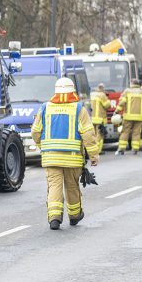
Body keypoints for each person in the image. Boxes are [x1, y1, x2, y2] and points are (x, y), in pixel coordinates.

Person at [31, 77, 100, 230]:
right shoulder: (78, 109)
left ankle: (54, 218)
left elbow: (35, 132)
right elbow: (88, 134)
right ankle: (75, 216)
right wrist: (94, 155)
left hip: (51, 157)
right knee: (72, 186)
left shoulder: (45, 108)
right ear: (72, 91)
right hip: (72, 158)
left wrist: (43, 145)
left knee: (54, 186)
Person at [114, 79, 142, 155]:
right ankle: (135, 149)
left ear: (132, 83)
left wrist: (116, 111)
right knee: (136, 133)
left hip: (128, 117)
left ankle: (121, 149)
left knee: (125, 132)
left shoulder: (127, 91)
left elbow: (122, 103)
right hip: (139, 117)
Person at [89, 83, 111, 152]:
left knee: (93, 134)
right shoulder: (102, 95)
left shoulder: (91, 94)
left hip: (91, 118)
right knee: (100, 135)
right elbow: (107, 105)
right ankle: (98, 150)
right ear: (102, 89)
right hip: (100, 119)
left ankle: (92, 150)